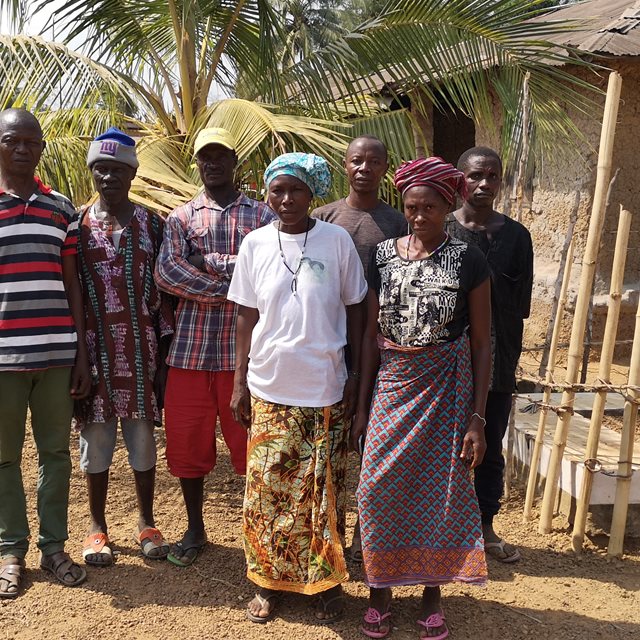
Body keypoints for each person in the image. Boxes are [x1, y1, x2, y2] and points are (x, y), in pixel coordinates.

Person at [353, 157, 491, 639]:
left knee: (441, 493)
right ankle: (380, 592)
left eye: (429, 207)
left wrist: (477, 417)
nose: (418, 216)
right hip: (394, 381)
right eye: (411, 207)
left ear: (446, 206)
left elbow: (480, 342)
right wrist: (363, 404)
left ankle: (432, 595)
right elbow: (370, 336)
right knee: (375, 490)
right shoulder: (384, 256)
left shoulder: (469, 259)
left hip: (445, 388)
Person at [228, 153, 367, 624]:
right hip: (269, 384)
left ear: (313, 194)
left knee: (322, 492)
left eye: (297, 190)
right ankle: (266, 582)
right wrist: (239, 382)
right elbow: (246, 314)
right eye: (277, 190)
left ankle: (326, 583)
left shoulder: (336, 240)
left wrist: (352, 377)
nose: (286, 199)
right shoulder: (254, 244)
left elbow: (356, 309)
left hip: (325, 385)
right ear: (267, 193)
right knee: (267, 490)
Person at [154, 127, 276, 567]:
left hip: (247, 357)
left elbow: (268, 276)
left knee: (253, 448)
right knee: (187, 448)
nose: (212, 163)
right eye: (205, 156)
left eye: (220, 155)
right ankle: (194, 527)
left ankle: (256, 531)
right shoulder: (180, 217)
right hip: (189, 353)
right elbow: (168, 274)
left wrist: (208, 263)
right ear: (198, 163)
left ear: (235, 160)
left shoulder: (264, 216)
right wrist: (235, 280)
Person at [0, 108, 90, 598]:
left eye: (32, 142)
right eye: (13, 140)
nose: (22, 149)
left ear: (41, 148)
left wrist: (79, 353)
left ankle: (53, 547)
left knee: (56, 455)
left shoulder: (62, 209)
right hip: (3, 361)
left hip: (56, 357)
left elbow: (72, 284)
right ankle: (11, 550)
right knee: (3, 459)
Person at [75, 127, 174, 567]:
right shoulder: (75, 224)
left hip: (141, 353)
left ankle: (147, 523)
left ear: (132, 174)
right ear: (93, 173)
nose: (109, 177)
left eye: (118, 170)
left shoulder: (153, 223)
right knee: (95, 443)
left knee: (142, 442)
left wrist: (165, 362)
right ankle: (97, 528)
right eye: (102, 169)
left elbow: (166, 295)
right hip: (93, 356)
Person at [312, 134, 406, 562]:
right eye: (356, 161)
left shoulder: (400, 222)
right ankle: (329, 528)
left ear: (385, 167)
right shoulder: (322, 218)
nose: (364, 168)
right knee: (330, 444)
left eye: (373, 161)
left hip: (386, 346)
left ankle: (364, 537)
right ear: (345, 166)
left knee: (371, 441)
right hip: (330, 343)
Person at [446, 146, 533, 564]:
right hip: (446, 362)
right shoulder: (442, 230)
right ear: (459, 179)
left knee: (490, 441)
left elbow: (522, 304)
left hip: (498, 360)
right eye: (476, 176)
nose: (484, 184)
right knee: (443, 444)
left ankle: (484, 526)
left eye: (493, 177)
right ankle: (442, 528)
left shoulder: (517, 237)